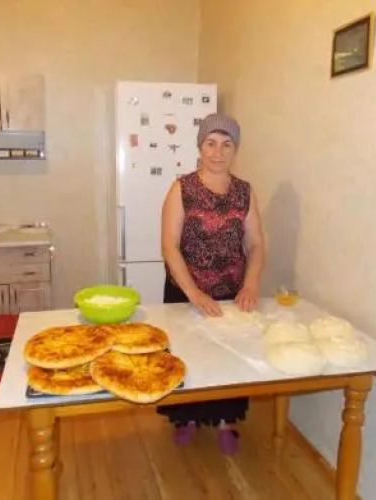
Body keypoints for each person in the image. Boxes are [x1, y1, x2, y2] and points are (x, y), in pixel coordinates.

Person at [157, 112, 265, 455]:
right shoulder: (182, 188)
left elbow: (256, 243)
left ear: (236, 150)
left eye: (226, 144)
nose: (218, 152)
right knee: (190, 356)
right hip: (186, 292)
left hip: (231, 294)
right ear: (200, 147)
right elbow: (169, 246)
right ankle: (187, 417)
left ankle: (225, 421)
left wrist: (250, 283)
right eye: (211, 143)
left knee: (228, 358)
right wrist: (193, 292)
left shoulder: (245, 192)